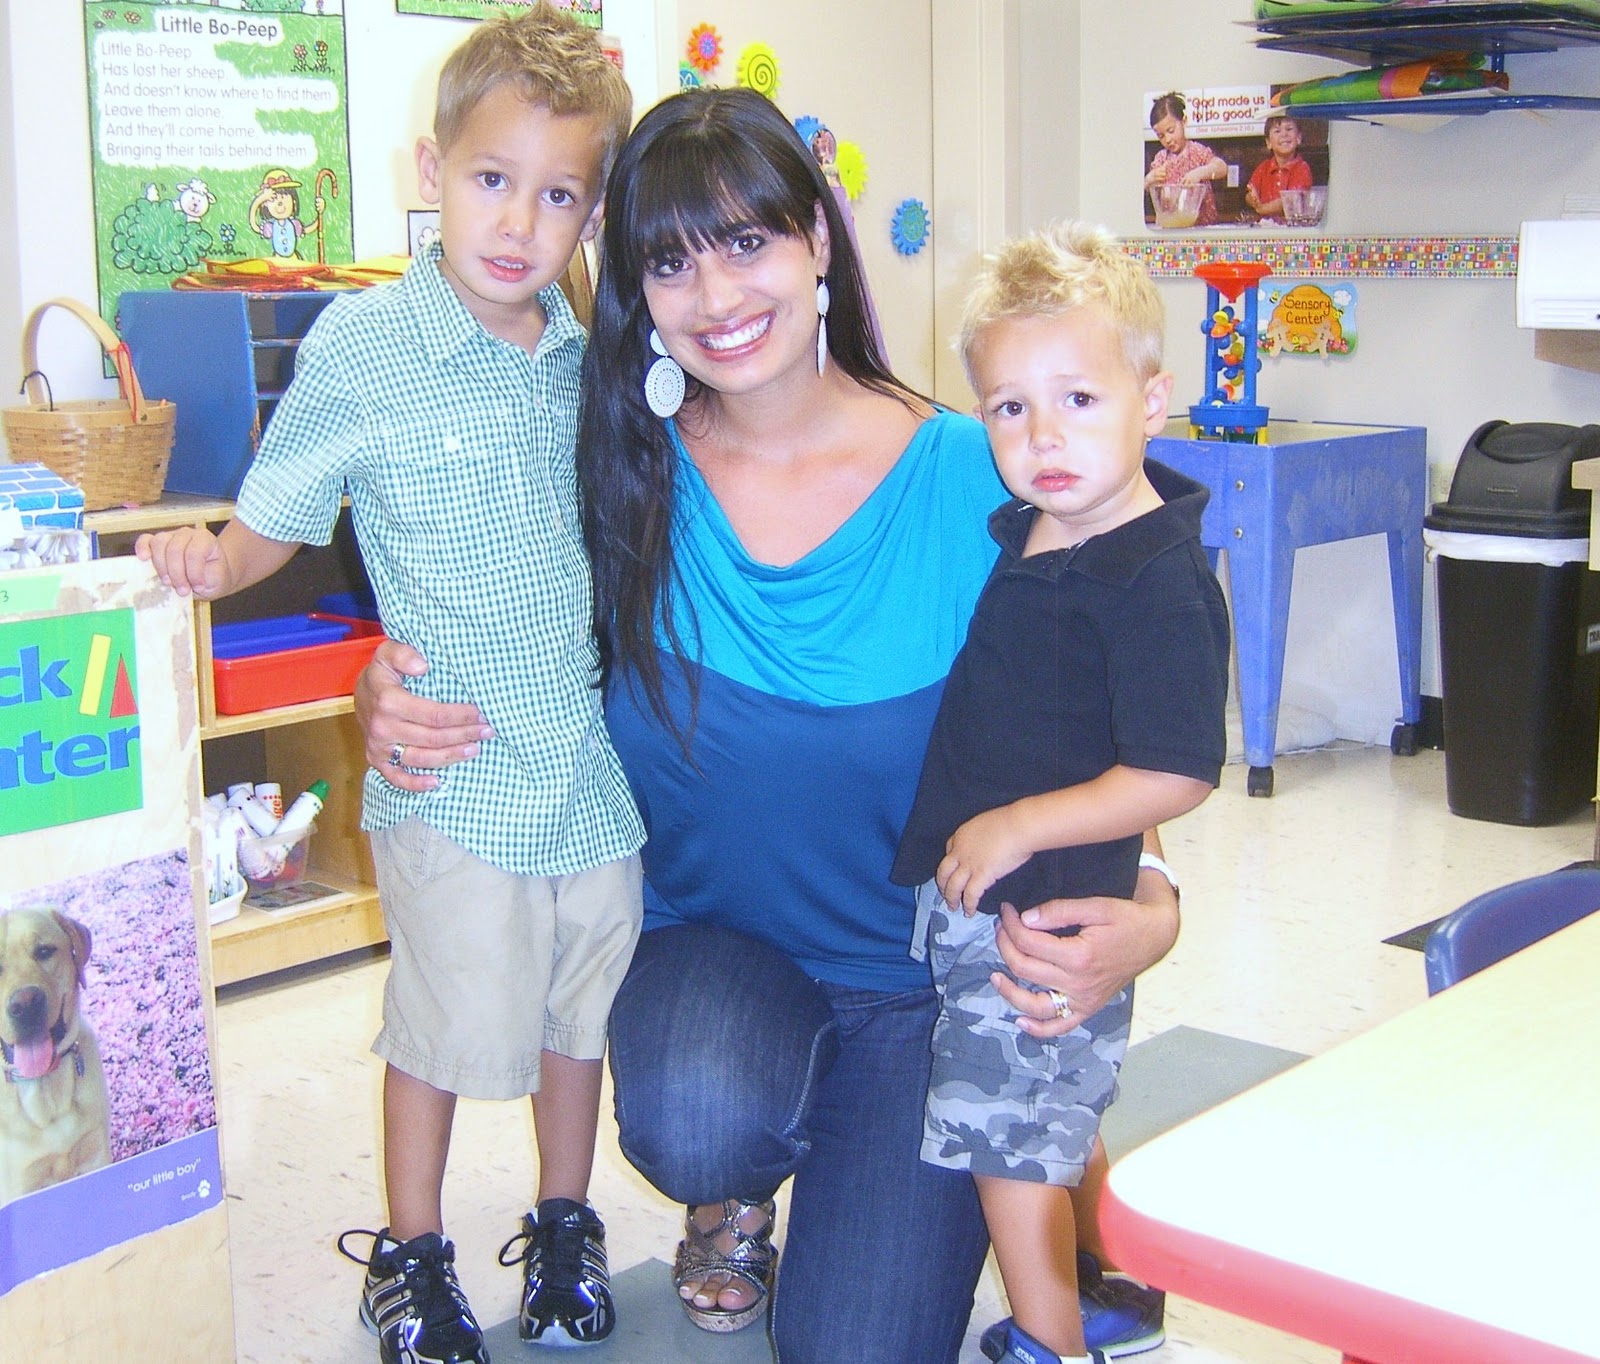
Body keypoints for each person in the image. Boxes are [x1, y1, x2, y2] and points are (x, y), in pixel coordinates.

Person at [354, 86, 1184, 1364]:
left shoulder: (980, 475)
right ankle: (731, 1194)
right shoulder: (614, 471)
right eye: (669, 261)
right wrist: (388, 682)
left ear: (815, 239)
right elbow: (467, 592)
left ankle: (1029, 1180)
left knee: (854, 1348)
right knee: (698, 1112)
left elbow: (1113, 717)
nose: (715, 294)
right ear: (635, 292)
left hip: (920, 987)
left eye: (746, 240)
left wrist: (1155, 906)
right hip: (709, 954)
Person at [136, 8, 642, 1362]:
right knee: (440, 1023)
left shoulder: (583, 355)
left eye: (558, 196)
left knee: (577, 1017)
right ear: (432, 169)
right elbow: (280, 513)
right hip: (452, 767)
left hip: (584, 768)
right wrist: (208, 561)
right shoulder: (364, 346)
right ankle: (410, 1255)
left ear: (591, 214)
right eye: (492, 179)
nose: (518, 223)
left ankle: (563, 1223)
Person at [889, 223, 1230, 1364]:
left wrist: (1019, 824)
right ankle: (1106, 1292)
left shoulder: (1155, 577)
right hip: (998, 894)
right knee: (1051, 1107)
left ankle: (1048, 1339)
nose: (1043, 436)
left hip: (1047, 909)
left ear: (1152, 400)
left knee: (1008, 1141)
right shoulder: (1038, 530)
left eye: (1079, 399)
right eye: (1009, 407)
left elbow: (1177, 767)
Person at [1142, 91, 1227, 228]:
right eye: (1161, 136)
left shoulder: (1197, 152)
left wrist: (1200, 173)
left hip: (1201, 230)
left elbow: (1222, 168)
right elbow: (1151, 191)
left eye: (1171, 131)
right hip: (1171, 230)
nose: (1167, 139)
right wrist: (1149, 179)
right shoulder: (1161, 159)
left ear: (1184, 122)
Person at [1244, 112, 1313, 223]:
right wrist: (1253, 199)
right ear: (1268, 143)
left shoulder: (1302, 168)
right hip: (1265, 227)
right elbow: (1249, 193)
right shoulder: (1263, 167)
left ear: (1299, 138)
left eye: (1289, 129)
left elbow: (1290, 201)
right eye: (1277, 131)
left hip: (1292, 229)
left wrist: (1262, 209)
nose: (1284, 134)